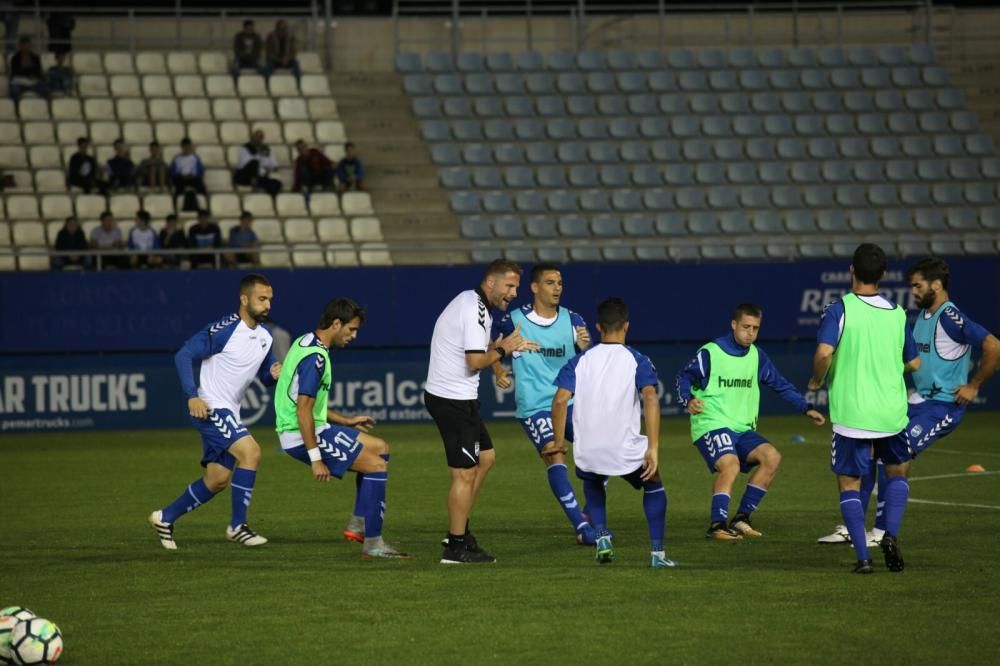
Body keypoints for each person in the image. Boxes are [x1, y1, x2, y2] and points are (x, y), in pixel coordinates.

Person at [818, 256, 1000, 546]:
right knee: (873, 451)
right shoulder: (922, 318)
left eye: (917, 286)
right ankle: (855, 529)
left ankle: (880, 533)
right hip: (917, 401)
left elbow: (993, 345)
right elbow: (913, 362)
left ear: (937, 285)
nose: (913, 291)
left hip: (943, 406)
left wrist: (974, 384)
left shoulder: (950, 317)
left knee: (894, 458)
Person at [807, 243, 921, 574]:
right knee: (897, 473)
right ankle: (890, 534)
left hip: (853, 414)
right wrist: (885, 371)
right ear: (883, 275)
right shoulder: (898, 314)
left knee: (849, 484)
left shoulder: (838, 309)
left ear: (851, 270)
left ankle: (863, 558)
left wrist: (817, 380)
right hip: (891, 412)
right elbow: (913, 361)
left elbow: (825, 353)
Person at [149, 274, 281, 550]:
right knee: (251, 452)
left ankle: (165, 517)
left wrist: (273, 374)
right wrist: (192, 396)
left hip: (230, 411)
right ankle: (237, 526)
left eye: (269, 299)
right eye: (261, 299)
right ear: (244, 300)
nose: (268, 305)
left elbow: (265, 379)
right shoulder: (225, 329)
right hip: (210, 407)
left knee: (218, 479)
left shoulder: (265, 338)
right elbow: (183, 354)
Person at [676, 303, 826, 541]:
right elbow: (684, 377)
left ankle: (741, 518)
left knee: (772, 457)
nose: (750, 333)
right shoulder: (711, 352)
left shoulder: (757, 356)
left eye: (755, 328)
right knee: (731, 465)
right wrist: (688, 400)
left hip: (742, 428)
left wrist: (805, 408)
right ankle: (717, 525)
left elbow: (780, 384)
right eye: (746, 327)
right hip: (711, 423)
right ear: (734, 325)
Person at [274, 298, 408, 559]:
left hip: (310, 427)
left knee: (380, 448)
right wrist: (316, 460)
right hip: (300, 435)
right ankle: (374, 543)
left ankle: (358, 524)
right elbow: (303, 410)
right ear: (336, 324)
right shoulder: (316, 359)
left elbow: (306, 405)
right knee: (376, 465)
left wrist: (345, 421)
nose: (354, 336)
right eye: (351, 330)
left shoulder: (305, 342)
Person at [424, 260, 538, 564]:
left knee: (485, 458)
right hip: (452, 400)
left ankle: (458, 530)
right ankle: (455, 545)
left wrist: (498, 366)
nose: (514, 293)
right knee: (464, 473)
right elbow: (474, 361)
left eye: (516, 287)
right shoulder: (474, 309)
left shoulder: (476, 304)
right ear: (491, 282)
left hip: (461, 398)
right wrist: (505, 351)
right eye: (509, 286)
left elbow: (483, 343)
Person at [550, 297, 676, 568]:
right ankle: (657, 555)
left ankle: (602, 537)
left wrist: (559, 442)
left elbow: (560, 400)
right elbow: (651, 398)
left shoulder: (580, 361)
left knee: (593, 482)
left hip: (589, 448)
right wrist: (653, 447)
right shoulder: (637, 359)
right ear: (626, 326)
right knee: (654, 486)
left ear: (597, 326)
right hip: (625, 446)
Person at [491, 264, 597, 545]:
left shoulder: (573, 320)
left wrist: (584, 348)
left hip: (570, 402)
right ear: (535, 288)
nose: (557, 288)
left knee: (604, 450)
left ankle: (590, 513)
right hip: (536, 406)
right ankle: (583, 529)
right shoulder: (513, 320)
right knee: (554, 454)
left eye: (560, 282)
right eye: (550, 283)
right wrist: (499, 371)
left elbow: (587, 360)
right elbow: (491, 346)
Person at [234, 129, 281, 197]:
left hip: (260, 176)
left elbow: (275, 166)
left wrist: (268, 168)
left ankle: (270, 201)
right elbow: (246, 164)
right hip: (245, 176)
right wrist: (259, 155)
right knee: (254, 163)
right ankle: (255, 186)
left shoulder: (266, 149)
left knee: (276, 184)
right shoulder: (244, 148)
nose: (259, 139)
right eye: (257, 137)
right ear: (252, 137)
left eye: (261, 137)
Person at [169, 137, 206, 210]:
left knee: (202, 188)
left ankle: (203, 208)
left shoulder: (195, 158)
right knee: (178, 189)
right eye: (184, 146)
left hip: (193, 178)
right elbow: (172, 172)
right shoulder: (177, 158)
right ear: (182, 147)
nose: (186, 148)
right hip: (181, 178)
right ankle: (176, 208)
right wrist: (180, 175)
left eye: (188, 146)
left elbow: (200, 171)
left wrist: (194, 175)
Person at [9, 36, 48, 102]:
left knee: (46, 89)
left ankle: (49, 109)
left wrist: (31, 74)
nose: (26, 48)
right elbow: (15, 72)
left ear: (30, 46)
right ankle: (17, 110)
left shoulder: (35, 58)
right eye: (24, 46)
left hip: (33, 81)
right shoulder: (15, 58)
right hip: (20, 82)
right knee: (14, 90)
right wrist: (27, 70)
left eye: (27, 46)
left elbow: (38, 71)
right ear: (20, 46)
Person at [265, 19, 300, 86]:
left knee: (296, 65)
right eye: (280, 28)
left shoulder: (290, 37)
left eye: (284, 28)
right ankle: (267, 87)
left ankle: (298, 86)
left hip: (287, 60)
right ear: (277, 28)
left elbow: (293, 51)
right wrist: (280, 60)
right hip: (275, 61)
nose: (282, 30)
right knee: (267, 69)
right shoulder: (271, 36)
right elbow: (269, 52)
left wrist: (288, 58)